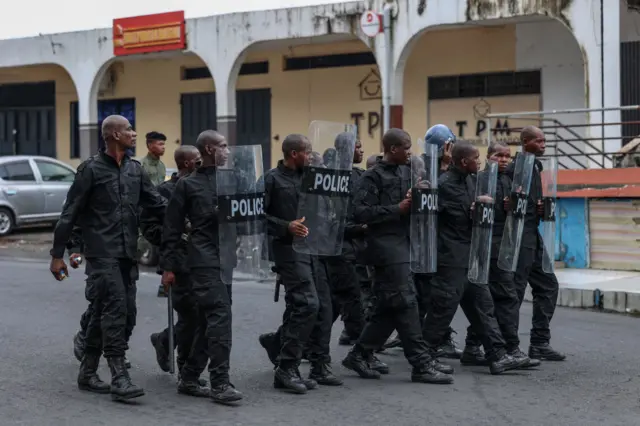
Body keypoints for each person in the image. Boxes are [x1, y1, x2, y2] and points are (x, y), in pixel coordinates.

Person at [50, 114, 166, 401]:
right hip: (101, 254)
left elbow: (157, 202)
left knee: (121, 314)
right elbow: (70, 213)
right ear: (114, 135)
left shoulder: (134, 170)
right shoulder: (90, 169)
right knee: (115, 311)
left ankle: (88, 373)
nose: (134, 133)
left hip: (128, 253)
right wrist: (58, 255)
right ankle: (119, 376)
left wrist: (189, 210)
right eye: (128, 129)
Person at [341, 128, 453, 385]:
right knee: (406, 300)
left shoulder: (408, 172)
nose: (410, 152)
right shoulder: (371, 177)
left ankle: (360, 353)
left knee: (389, 306)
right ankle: (421, 364)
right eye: (406, 147)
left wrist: (421, 192)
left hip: (406, 244)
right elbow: (360, 212)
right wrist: (397, 208)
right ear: (393, 149)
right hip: (384, 247)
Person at [421, 141, 531, 374]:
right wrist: (471, 212)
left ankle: (498, 355)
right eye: (476, 159)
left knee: (483, 305)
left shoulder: (472, 180)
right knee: (443, 309)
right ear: (464, 162)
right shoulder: (445, 185)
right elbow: (438, 221)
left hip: (471, 255)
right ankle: (424, 358)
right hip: (451, 257)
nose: (479, 163)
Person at [160, 130, 243, 405]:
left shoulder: (232, 180)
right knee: (220, 317)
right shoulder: (188, 185)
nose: (228, 150)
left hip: (226, 257)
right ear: (209, 149)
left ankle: (190, 376)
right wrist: (169, 267)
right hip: (203, 259)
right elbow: (171, 228)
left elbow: (249, 215)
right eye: (223, 146)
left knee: (210, 321)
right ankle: (220, 383)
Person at [259, 134, 341, 394]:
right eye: (307, 152)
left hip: (314, 250)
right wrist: (286, 226)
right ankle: (286, 368)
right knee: (307, 304)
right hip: (288, 251)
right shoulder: (271, 180)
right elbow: (255, 215)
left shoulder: (311, 178)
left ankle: (311, 361)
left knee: (321, 307)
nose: (311, 156)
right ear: (294, 154)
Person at [141, 146, 210, 396]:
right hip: (178, 262)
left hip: (204, 261)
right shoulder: (165, 191)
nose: (202, 163)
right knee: (190, 316)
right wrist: (178, 236)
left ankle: (166, 341)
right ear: (186, 163)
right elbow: (150, 228)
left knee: (199, 315)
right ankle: (185, 371)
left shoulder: (202, 186)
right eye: (197, 160)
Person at [508, 126, 565, 361]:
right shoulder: (514, 169)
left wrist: (541, 208)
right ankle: (507, 347)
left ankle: (540, 342)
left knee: (549, 285)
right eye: (538, 141)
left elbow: (532, 201)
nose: (543, 145)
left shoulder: (538, 166)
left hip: (534, 235)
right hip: (518, 238)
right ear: (525, 142)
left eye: (544, 141)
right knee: (514, 293)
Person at [485, 142, 541, 368]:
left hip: (504, 247)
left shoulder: (510, 181)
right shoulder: (478, 180)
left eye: (507, 156)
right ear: (488, 157)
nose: (504, 160)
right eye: (498, 155)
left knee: (496, 299)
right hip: (484, 248)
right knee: (499, 298)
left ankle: (503, 349)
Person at [326, 137, 367, 346]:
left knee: (335, 301)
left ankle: (299, 343)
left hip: (358, 245)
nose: (361, 151)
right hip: (339, 245)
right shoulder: (330, 178)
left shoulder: (360, 175)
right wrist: (359, 228)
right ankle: (362, 349)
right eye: (357, 147)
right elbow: (329, 218)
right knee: (351, 296)